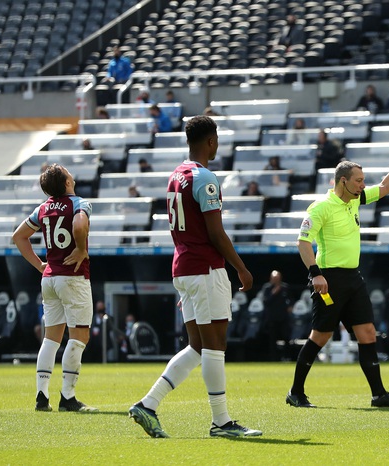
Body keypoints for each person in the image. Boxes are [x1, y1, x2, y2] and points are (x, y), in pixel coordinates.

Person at [128, 115, 261, 438]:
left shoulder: (176, 175)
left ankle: (148, 404)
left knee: (199, 346)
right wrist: (241, 267)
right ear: (211, 141)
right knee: (215, 345)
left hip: (184, 267)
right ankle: (222, 421)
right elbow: (216, 233)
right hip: (205, 268)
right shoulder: (205, 178)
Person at [286, 135, 389, 409]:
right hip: (329, 280)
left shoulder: (354, 200)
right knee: (320, 337)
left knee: (368, 333)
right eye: (358, 180)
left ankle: (379, 395)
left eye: (362, 180)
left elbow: (385, 187)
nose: (363, 185)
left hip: (353, 278)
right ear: (342, 180)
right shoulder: (321, 207)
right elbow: (302, 242)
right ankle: (295, 392)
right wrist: (315, 274)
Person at [11, 163, 98, 413]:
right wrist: (81, 249)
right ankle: (68, 398)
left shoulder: (44, 207)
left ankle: (41, 396)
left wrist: (40, 265)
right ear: (67, 182)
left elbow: (19, 236)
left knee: (51, 339)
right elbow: (80, 226)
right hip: (73, 277)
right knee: (79, 337)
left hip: (49, 278)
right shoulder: (79, 203)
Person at [260, 270, 293, 361]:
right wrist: (273, 293)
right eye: (274, 278)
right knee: (272, 339)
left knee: (286, 337)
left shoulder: (285, 287)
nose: (276, 280)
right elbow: (265, 301)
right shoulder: (267, 288)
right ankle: (273, 358)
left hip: (283, 317)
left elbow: (290, 299)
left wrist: (290, 306)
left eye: (277, 278)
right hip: (272, 318)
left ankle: (287, 357)